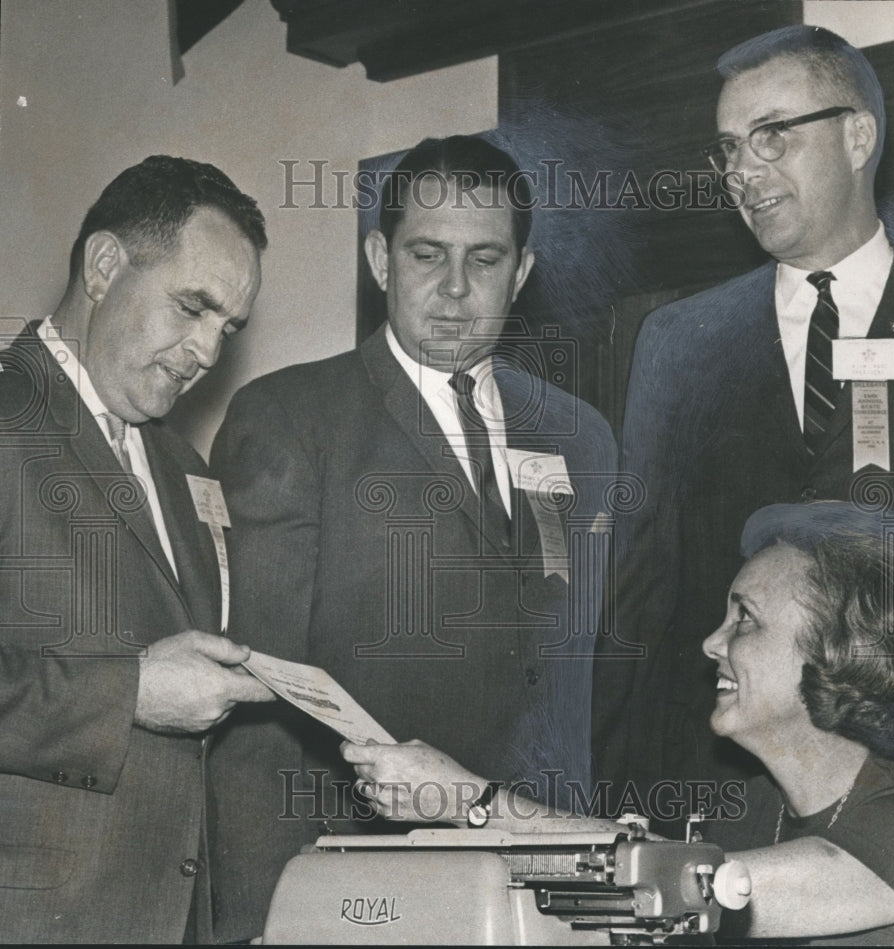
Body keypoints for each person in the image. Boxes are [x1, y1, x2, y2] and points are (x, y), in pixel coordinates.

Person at [208, 134, 618, 941]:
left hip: (542, 888)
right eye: (428, 253)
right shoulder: (292, 418)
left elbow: (572, 687)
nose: (456, 289)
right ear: (379, 257)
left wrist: (586, 875)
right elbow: (255, 701)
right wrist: (261, 917)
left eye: (486, 259)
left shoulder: (581, 437)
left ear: (522, 273)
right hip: (357, 892)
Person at [599, 25, 894, 839]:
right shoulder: (679, 341)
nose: (743, 172)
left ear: (858, 136)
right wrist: (623, 795)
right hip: (726, 800)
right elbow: (640, 594)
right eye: (728, 150)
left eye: (772, 135)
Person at [350, 501, 894, 945]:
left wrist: (473, 800)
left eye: (744, 619)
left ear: (835, 651)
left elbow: (686, 887)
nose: (712, 643)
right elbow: (649, 867)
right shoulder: (752, 809)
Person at [0, 155, 275, 943]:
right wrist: (129, 694)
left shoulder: (186, 467)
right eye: (193, 307)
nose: (207, 352)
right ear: (104, 265)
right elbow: (142, 687)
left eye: (228, 328)